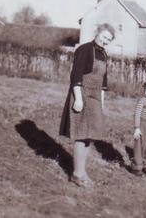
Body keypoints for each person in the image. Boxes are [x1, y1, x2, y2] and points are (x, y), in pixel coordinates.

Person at [59, 23, 116, 187]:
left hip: (96, 98)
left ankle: (82, 171)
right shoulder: (84, 49)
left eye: (109, 39)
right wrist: (78, 98)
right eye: (104, 37)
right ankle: (77, 174)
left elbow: (103, 83)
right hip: (82, 94)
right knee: (81, 133)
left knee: (90, 134)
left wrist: (101, 104)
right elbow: (76, 75)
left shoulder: (103, 54)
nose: (105, 41)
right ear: (97, 33)